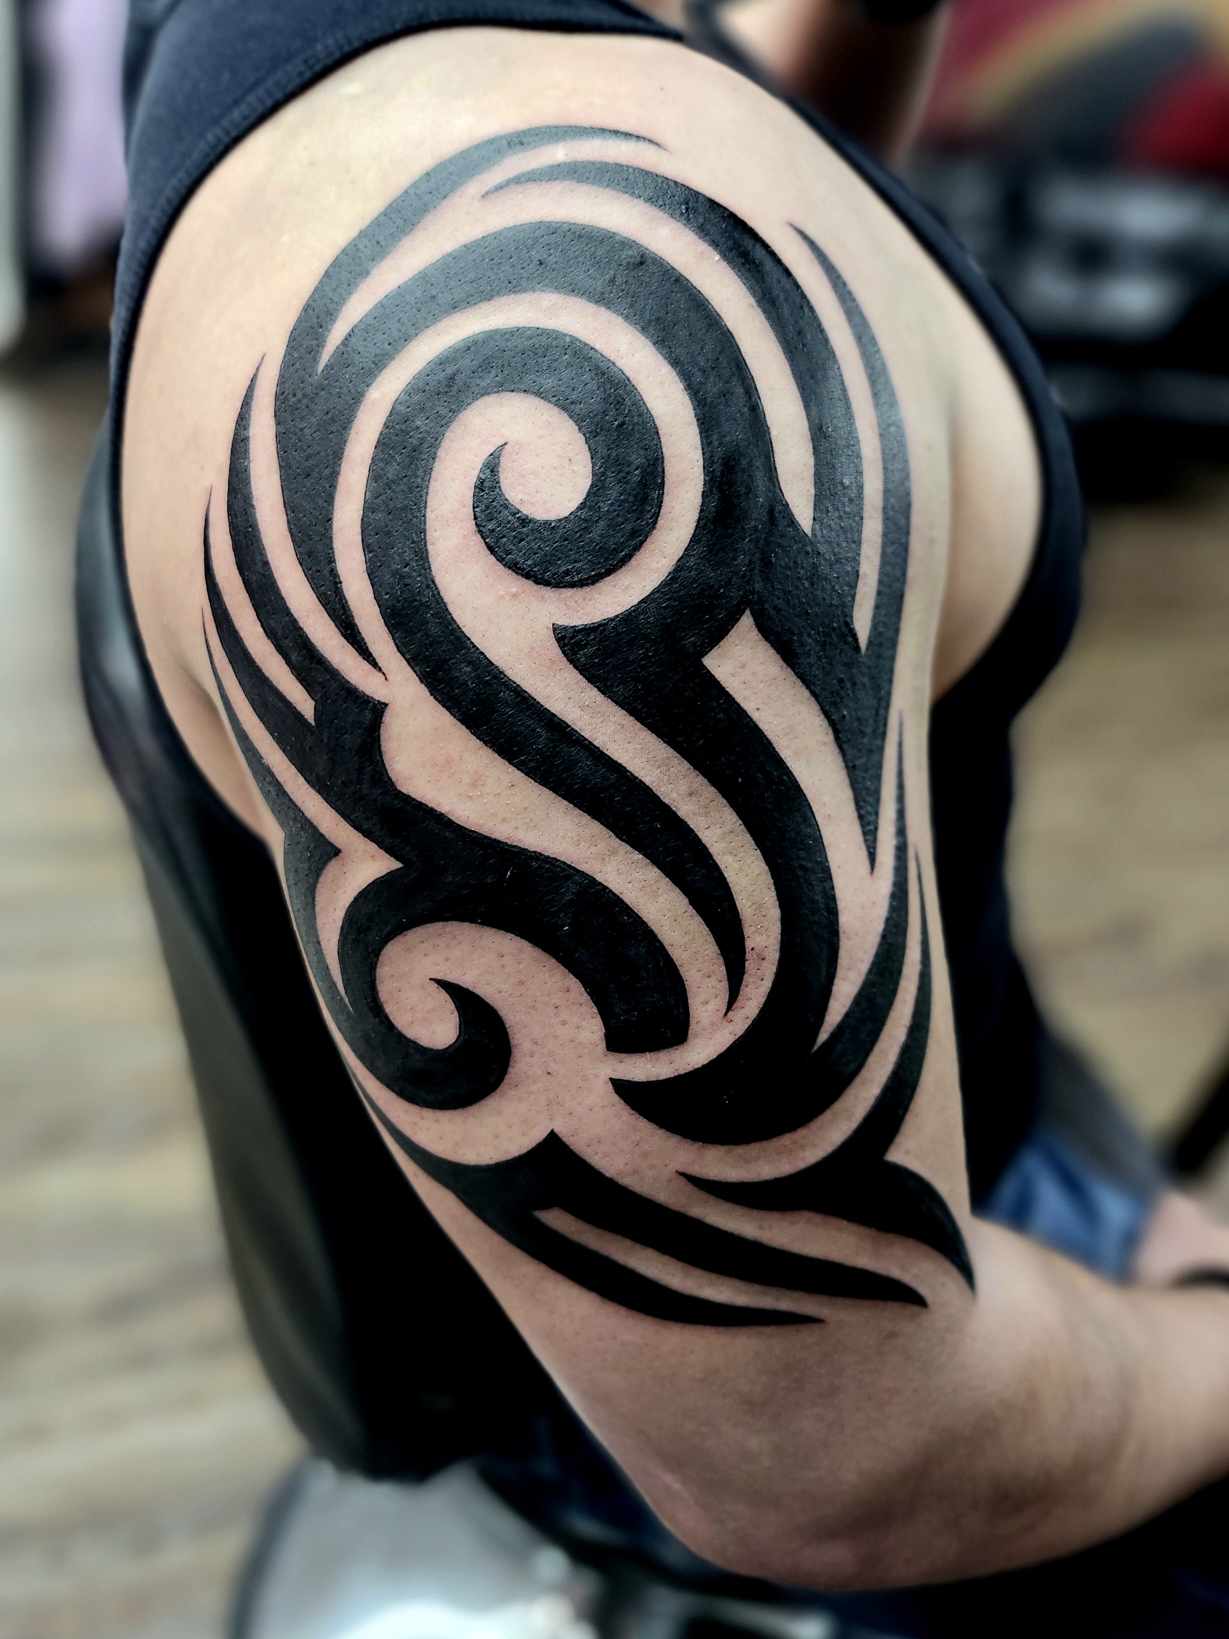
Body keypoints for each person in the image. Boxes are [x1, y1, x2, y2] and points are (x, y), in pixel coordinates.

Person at [78, 1, 1229, 1632]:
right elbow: (839, 1454)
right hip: (934, 1387)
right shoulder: (520, 267)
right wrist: (1210, 1336)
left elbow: (783, 315)